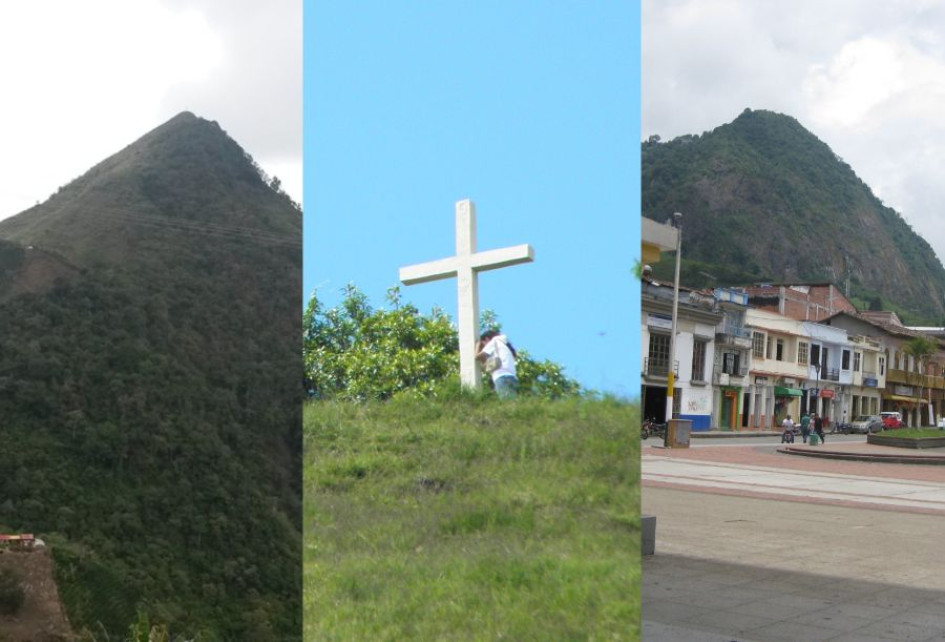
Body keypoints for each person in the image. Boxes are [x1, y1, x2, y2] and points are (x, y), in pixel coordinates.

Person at [476, 329, 519, 399]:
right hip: (512, 377)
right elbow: (487, 365)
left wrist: (478, 345)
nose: (483, 347)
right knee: (511, 400)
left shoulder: (494, 341)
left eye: (483, 344)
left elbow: (477, 357)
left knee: (506, 402)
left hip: (501, 377)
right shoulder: (504, 346)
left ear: (486, 339)